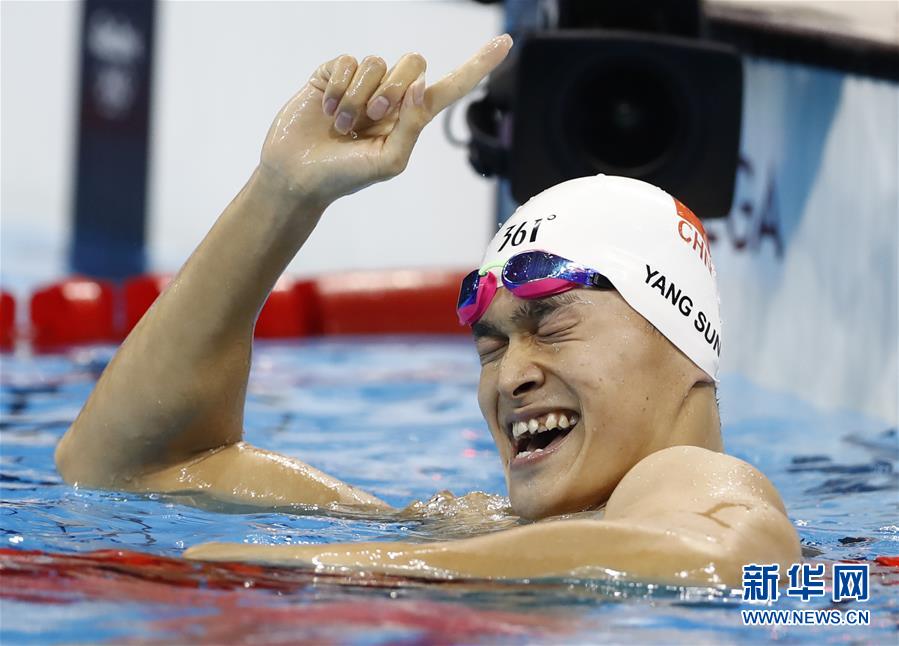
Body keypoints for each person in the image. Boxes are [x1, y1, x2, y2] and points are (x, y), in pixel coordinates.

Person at [54, 34, 800, 587]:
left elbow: (724, 558)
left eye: (551, 324)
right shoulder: (486, 528)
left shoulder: (689, 478)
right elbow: (134, 466)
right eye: (490, 347)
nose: (510, 377)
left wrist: (333, 570)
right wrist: (283, 194)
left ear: (679, 336)